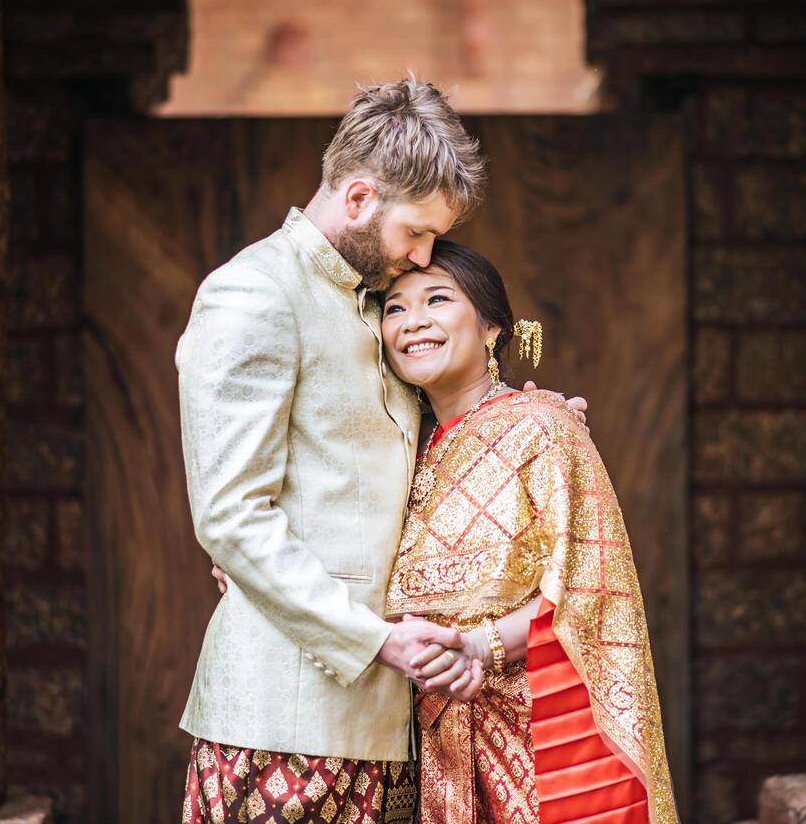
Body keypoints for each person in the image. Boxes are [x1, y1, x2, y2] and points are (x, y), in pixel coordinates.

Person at [178, 76, 584, 824]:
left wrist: (523, 419)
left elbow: (403, 462)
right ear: (359, 199)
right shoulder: (255, 294)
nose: (423, 255)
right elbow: (231, 515)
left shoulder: (373, 302)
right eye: (416, 233)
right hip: (281, 719)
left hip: (391, 727)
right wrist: (376, 641)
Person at [379, 240, 678, 824]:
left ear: (492, 327)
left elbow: (589, 594)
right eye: (394, 308)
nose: (413, 321)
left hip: (532, 743)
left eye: (436, 299)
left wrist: (479, 646)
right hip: (423, 751)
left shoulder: (542, 429)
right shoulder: (397, 455)